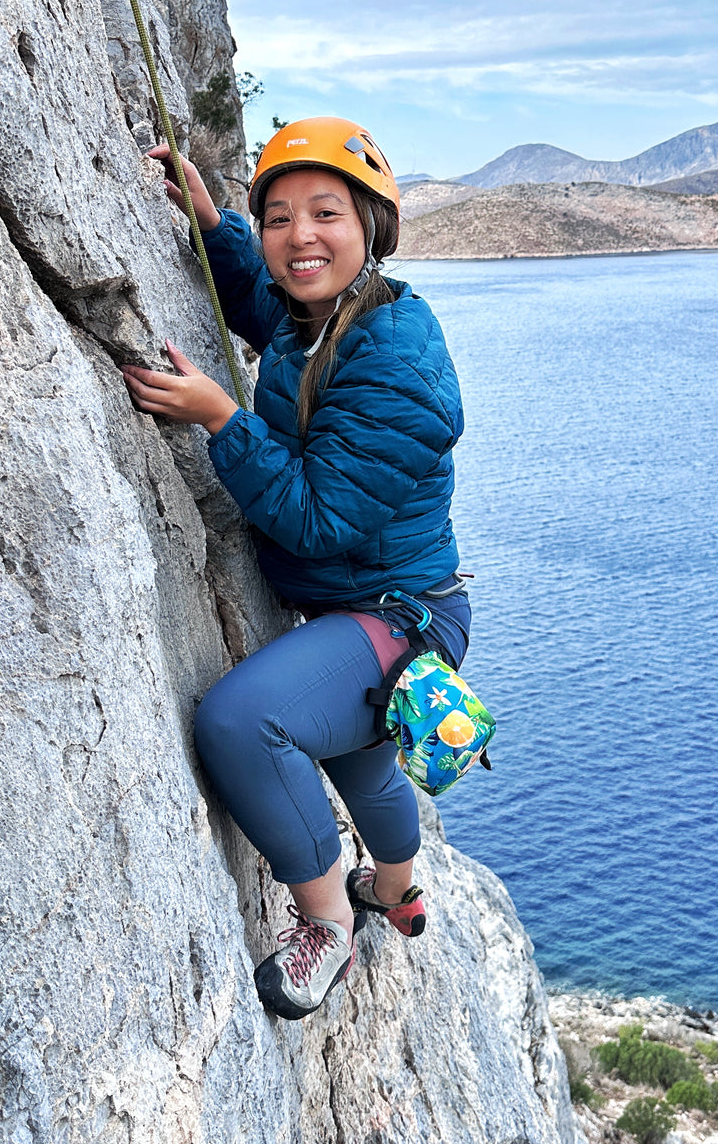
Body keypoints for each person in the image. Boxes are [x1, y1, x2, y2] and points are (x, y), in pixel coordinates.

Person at [121, 118, 469, 1020]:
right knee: (363, 770)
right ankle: (396, 890)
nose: (299, 236)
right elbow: (268, 301)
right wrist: (212, 226)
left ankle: (329, 924)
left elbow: (319, 517)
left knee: (242, 721)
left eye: (325, 213)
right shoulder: (333, 310)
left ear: (372, 228)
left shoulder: (398, 366)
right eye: (277, 218)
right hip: (368, 603)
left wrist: (221, 419)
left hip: (399, 615)